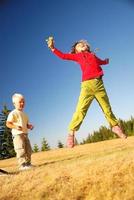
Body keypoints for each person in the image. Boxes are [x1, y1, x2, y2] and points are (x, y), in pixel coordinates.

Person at [46, 37, 127, 148]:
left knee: (107, 108)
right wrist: (53, 48)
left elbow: (100, 62)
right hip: (86, 86)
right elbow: (63, 56)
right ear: (76, 51)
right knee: (80, 110)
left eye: (83, 44)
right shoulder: (77, 56)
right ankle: (71, 133)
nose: (82, 45)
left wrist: (106, 61)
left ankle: (115, 126)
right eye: (79, 45)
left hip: (99, 85)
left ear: (87, 47)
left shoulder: (93, 55)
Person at [6, 93, 34, 170]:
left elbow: (26, 124)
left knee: (28, 149)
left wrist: (29, 126)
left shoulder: (25, 114)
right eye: (20, 102)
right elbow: (8, 124)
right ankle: (22, 165)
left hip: (25, 134)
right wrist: (15, 126)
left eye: (23, 102)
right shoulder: (13, 113)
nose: (22, 103)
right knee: (20, 149)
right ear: (14, 104)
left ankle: (28, 164)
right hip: (17, 135)